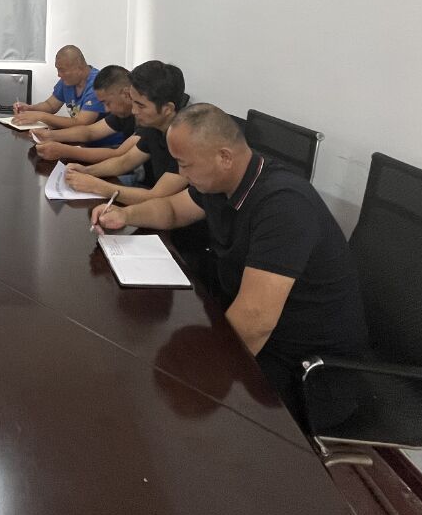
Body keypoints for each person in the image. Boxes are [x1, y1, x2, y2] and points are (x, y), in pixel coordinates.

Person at [91, 104, 368, 425]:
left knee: (186, 417)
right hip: (255, 336)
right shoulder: (221, 182)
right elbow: (172, 210)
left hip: (308, 368)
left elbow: (256, 320)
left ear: (224, 157)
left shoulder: (284, 205)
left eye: (185, 164)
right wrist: (125, 214)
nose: (181, 173)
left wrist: (204, 378)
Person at [62, 60, 189, 204]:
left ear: (167, 109)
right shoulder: (153, 127)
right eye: (133, 102)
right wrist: (86, 171)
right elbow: (124, 162)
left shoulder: (186, 141)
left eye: (141, 106)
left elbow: (156, 196)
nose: (134, 111)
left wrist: (96, 186)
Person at [32, 65, 136, 164]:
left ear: (126, 94)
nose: (106, 109)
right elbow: (90, 132)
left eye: (108, 103)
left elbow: (119, 155)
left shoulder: (142, 117)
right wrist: (50, 135)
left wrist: (65, 151)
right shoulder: (122, 113)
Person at [11, 45, 108, 132]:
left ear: (79, 68)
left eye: (62, 70)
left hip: (103, 143)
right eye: (57, 69)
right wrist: (30, 108)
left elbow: (82, 123)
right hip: (79, 138)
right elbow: (50, 105)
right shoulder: (67, 81)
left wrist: (40, 116)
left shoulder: (98, 84)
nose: (59, 75)